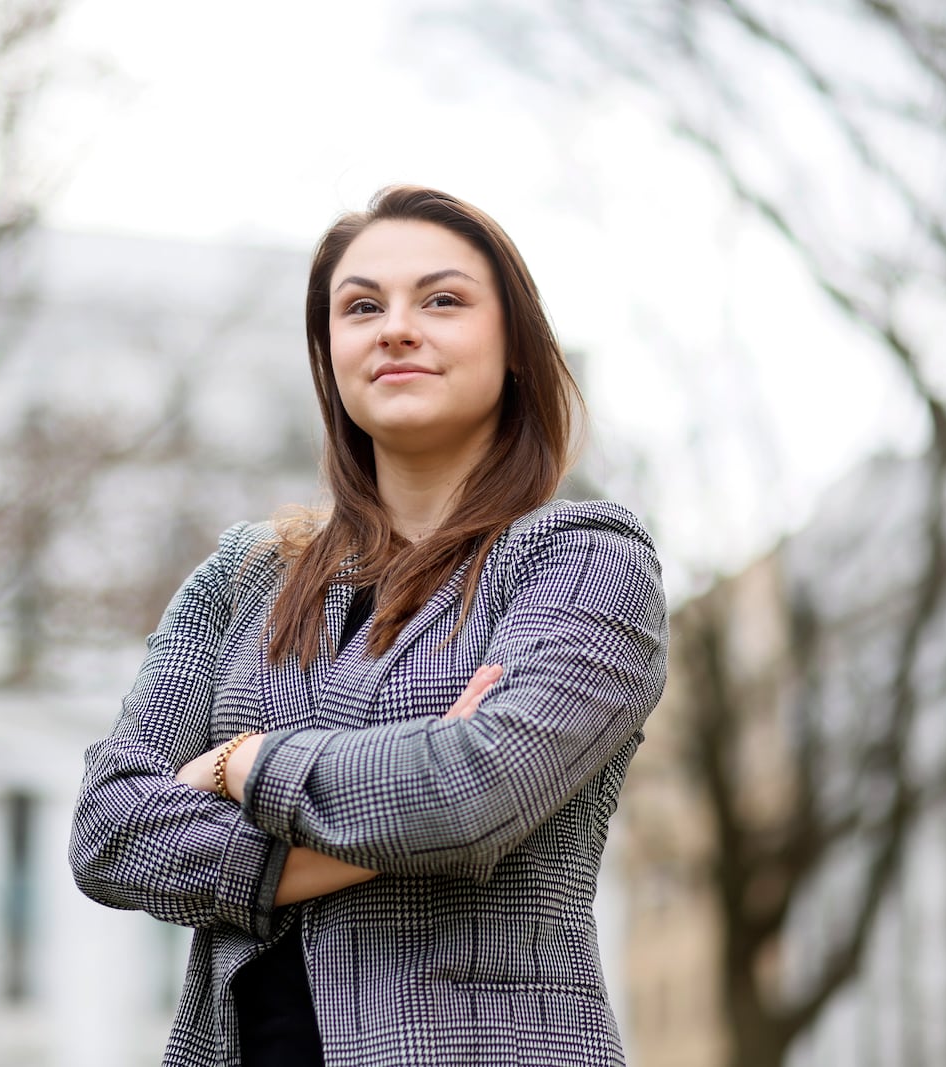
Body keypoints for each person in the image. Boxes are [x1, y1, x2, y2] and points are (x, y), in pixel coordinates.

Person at [69, 185, 668, 1067]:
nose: (395, 327)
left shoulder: (585, 559)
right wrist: (407, 806)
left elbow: (471, 793)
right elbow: (110, 832)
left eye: (442, 300)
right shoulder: (243, 576)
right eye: (360, 307)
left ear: (513, 349)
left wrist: (241, 764)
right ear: (331, 356)